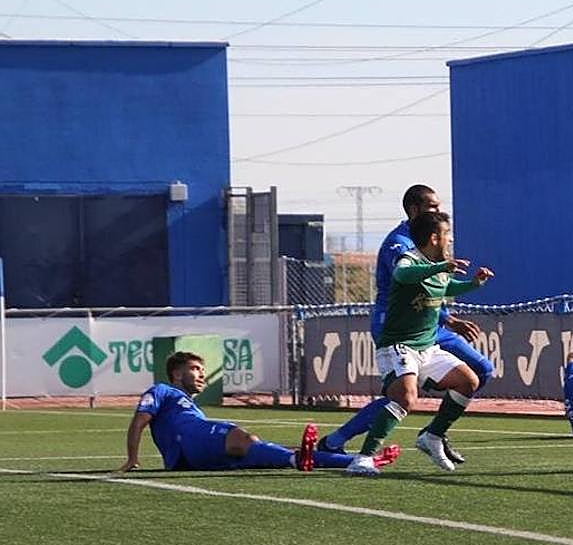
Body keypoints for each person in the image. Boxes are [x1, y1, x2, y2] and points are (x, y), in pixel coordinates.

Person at [317, 184, 493, 464]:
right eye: (432, 206)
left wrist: (465, 294)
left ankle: (434, 432)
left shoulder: (434, 241)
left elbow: (438, 287)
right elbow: (406, 277)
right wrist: (447, 314)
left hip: (430, 325)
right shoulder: (400, 242)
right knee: (401, 396)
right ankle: (339, 443)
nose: (439, 210)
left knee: (480, 370)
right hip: (399, 326)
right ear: (415, 210)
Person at [116, 351, 398, 473]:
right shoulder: (163, 391)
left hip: (192, 455)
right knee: (242, 438)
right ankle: (312, 459)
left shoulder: (190, 406)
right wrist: (132, 458)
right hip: (190, 442)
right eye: (195, 369)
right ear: (176, 374)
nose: (201, 375)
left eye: (202, 370)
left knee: (266, 449)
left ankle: (354, 461)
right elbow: (139, 420)